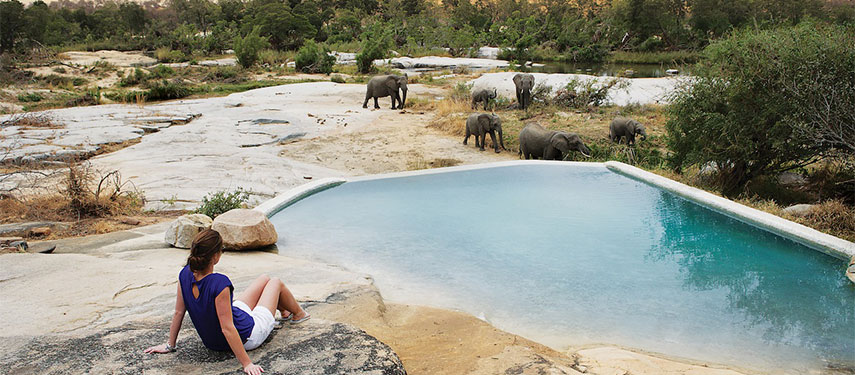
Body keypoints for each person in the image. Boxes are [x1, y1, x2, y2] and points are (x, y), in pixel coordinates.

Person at [144, 229, 310, 375]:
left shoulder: (185, 274)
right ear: (216, 256)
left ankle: (285, 312)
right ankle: (298, 314)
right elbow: (227, 328)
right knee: (275, 282)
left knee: (263, 279)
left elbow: (179, 312)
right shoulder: (219, 283)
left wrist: (169, 345)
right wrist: (247, 363)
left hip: (215, 340)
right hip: (249, 334)